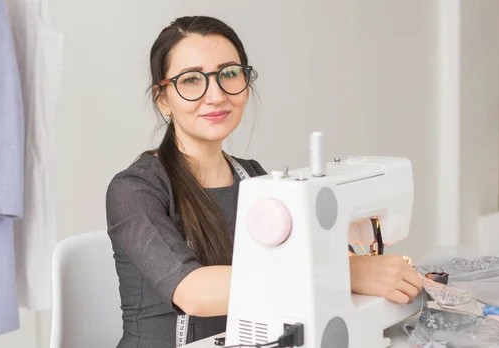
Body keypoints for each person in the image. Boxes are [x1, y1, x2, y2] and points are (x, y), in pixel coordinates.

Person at [105, 15, 423, 348]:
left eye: (229, 73)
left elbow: (303, 255)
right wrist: (347, 275)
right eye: (190, 80)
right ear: (162, 98)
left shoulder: (253, 177)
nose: (215, 95)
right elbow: (194, 292)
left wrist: (361, 265)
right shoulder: (134, 190)